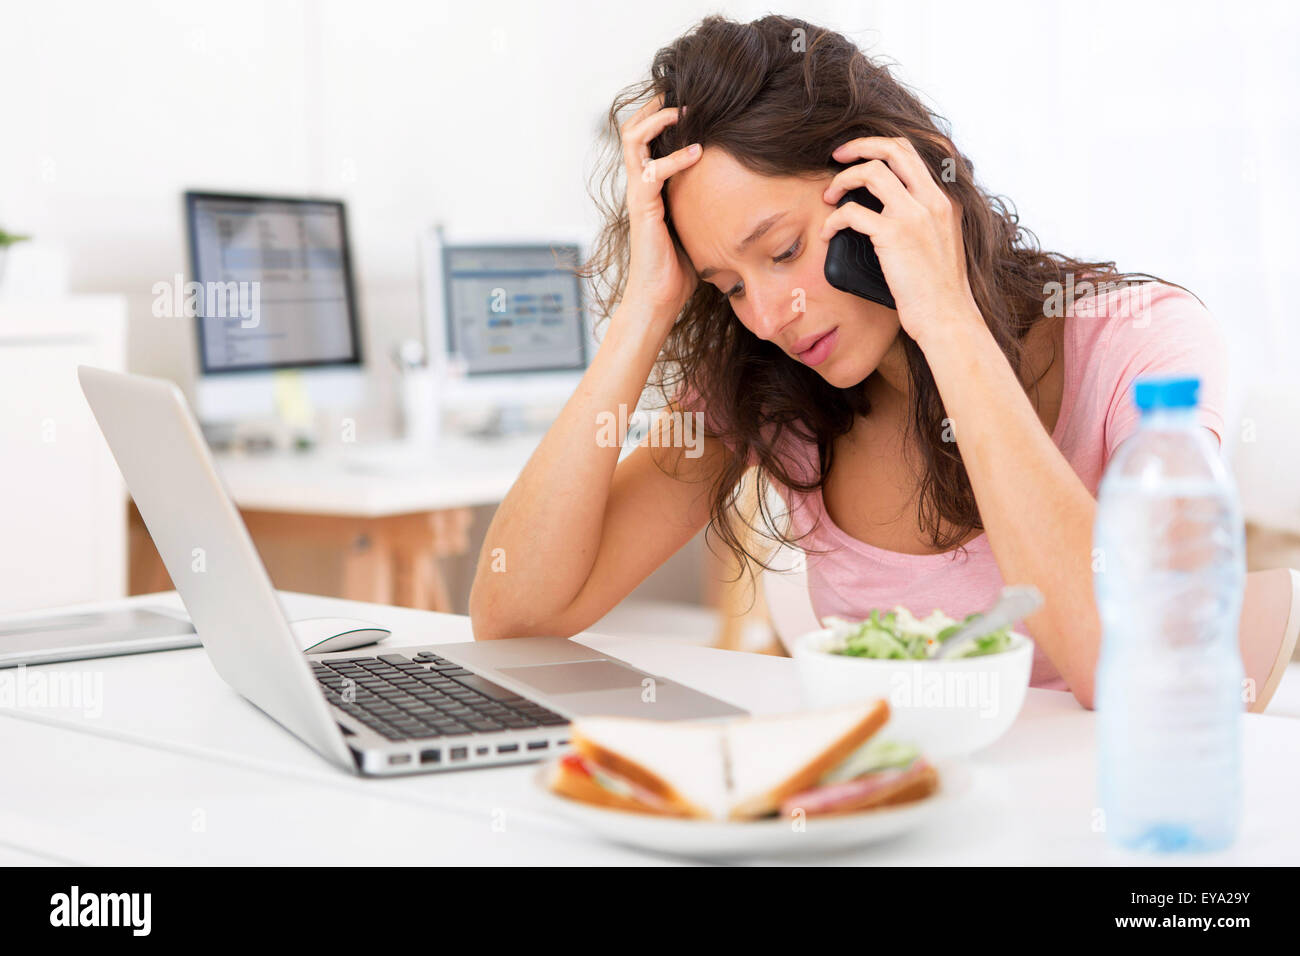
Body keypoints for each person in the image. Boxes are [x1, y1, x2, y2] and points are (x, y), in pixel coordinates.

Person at [468, 14, 1227, 709]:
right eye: (727, 286)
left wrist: (949, 323)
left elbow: (1128, 669)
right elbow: (515, 615)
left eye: (785, 250)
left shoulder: (1142, 345)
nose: (767, 318)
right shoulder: (767, 390)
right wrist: (644, 310)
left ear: (895, 185)